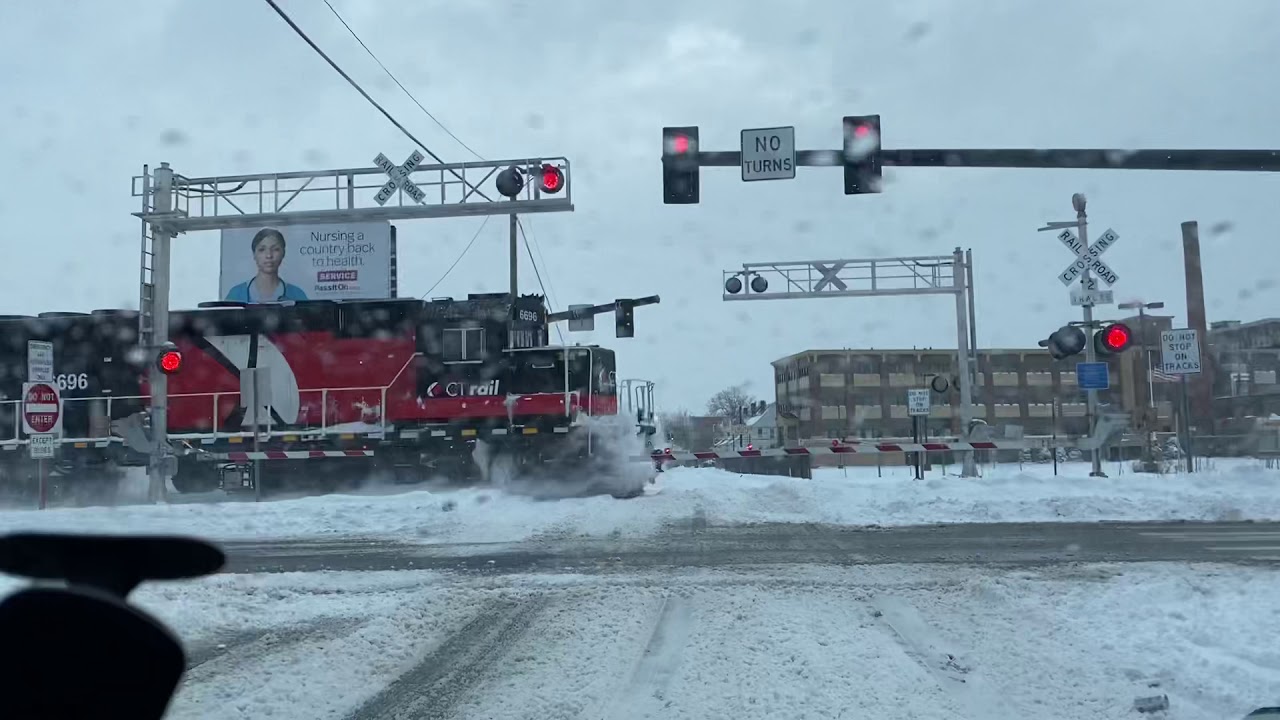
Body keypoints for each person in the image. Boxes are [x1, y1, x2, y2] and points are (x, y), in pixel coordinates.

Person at [223, 228, 309, 303]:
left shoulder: (297, 295)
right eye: (262, 250)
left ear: (283, 253)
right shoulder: (235, 294)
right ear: (254, 254)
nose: (269, 255)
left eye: (275, 249)